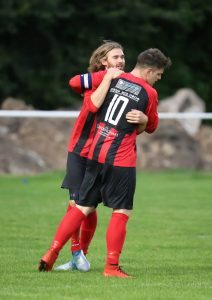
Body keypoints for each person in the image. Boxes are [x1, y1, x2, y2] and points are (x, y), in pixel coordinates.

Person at [38, 48, 171, 278]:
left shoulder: (112, 78)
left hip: (95, 153)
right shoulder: (149, 92)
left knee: (82, 207)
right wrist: (146, 119)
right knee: (122, 210)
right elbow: (150, 127)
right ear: (149, 70)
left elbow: (83, 92)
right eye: (158, 74)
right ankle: (111, 267)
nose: (158, 79)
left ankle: (51, 253)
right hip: (121, 159)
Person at [55, 40, 146, 272]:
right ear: (103, 61)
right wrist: (105, 76)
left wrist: (143, 120)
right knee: (76, 203)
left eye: (123, 57)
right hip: (80, 150)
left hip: (102, 152)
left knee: (89, 206)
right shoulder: (98, 80)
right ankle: (76, 253)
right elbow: (74, 82)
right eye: (116, 57)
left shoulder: (125, 84)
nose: (121, 61)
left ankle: (79, 254)